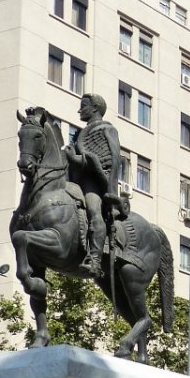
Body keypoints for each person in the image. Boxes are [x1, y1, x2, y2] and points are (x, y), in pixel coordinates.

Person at [65, 93, 122, 277]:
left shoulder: (106, 129)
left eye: (83, 105)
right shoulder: (81, 133)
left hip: (95, 181)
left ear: (95, 108)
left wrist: (79, 159)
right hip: (76, 180)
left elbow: (113, 158)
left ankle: (95, 260)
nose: (79, 110)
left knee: (93, 209)